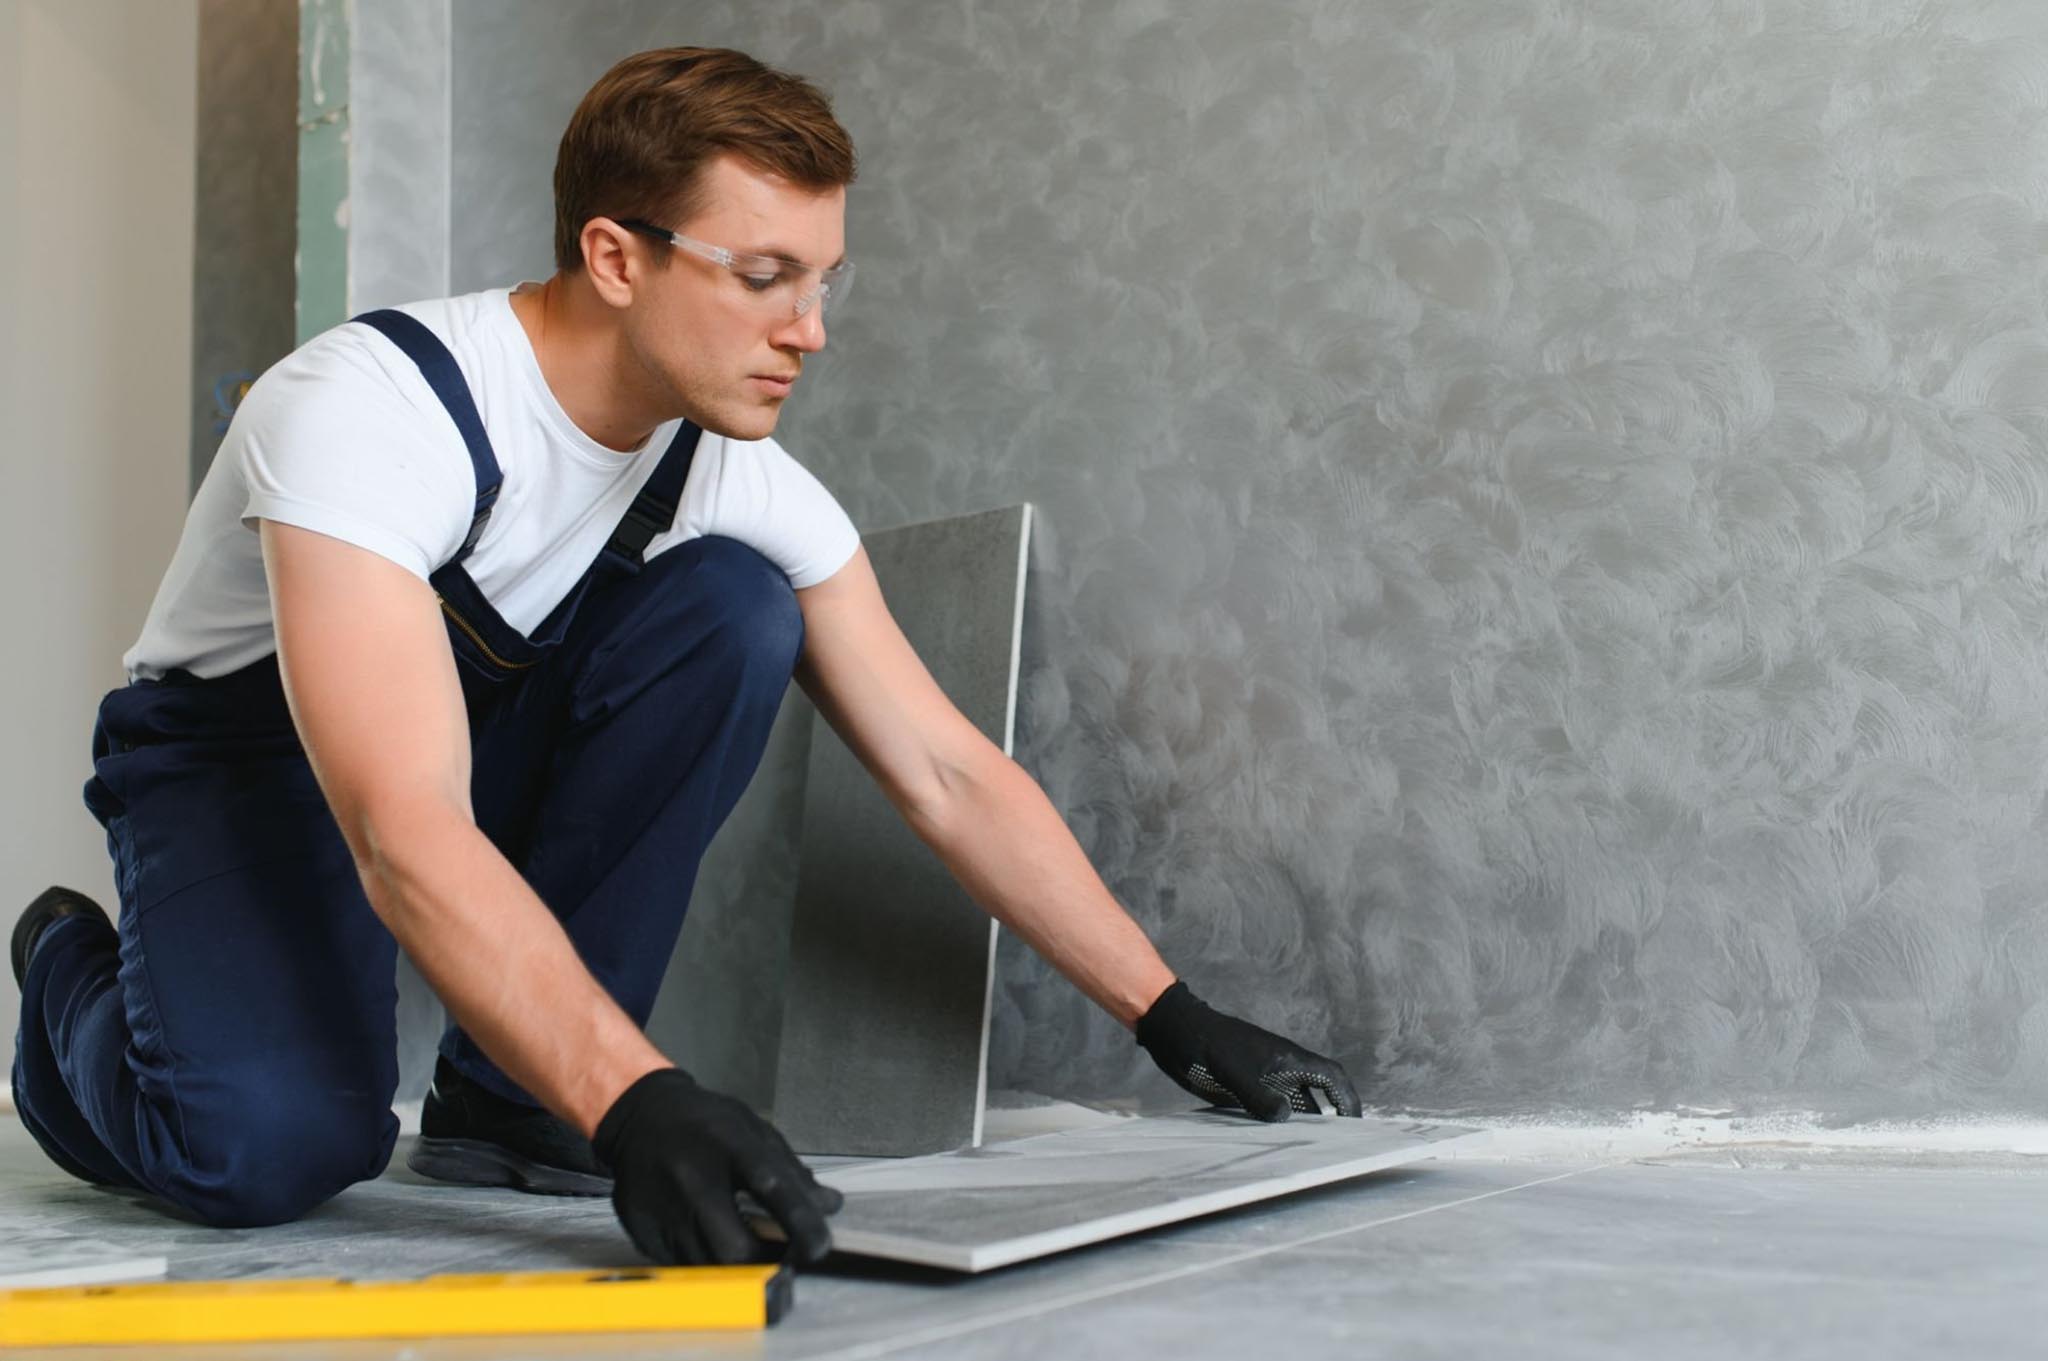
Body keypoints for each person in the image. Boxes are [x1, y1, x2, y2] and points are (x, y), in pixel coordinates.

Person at [10, 46, 1359, 1267]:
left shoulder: (731, 478)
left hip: (441, 753)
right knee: (268, 1153)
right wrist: (638, 1093)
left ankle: (514, 1103)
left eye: (824, 281)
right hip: (252, 777)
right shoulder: (368, 413)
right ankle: (67, 971)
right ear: (614, 256)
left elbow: (945, 767)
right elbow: (402, 828)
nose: (809, 329)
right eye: (764, 278)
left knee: (736, 606)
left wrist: (1171, 1011)